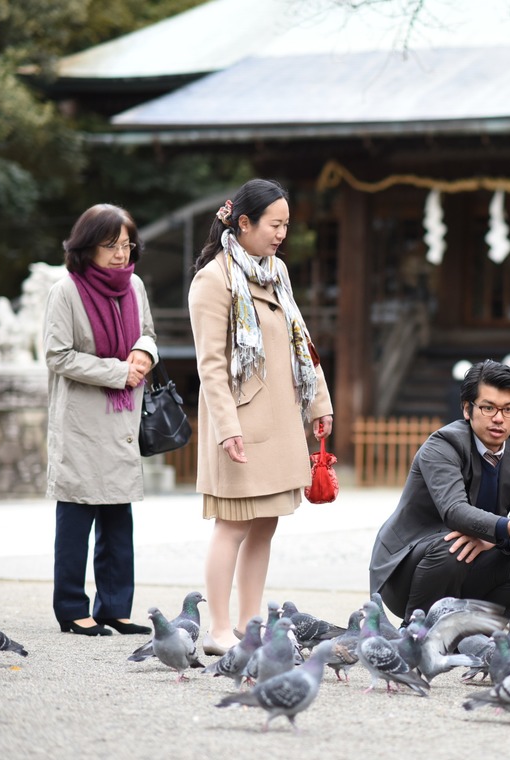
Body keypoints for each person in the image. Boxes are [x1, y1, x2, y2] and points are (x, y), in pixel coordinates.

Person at [188, 179, 334, 655]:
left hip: (279, 417)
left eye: (287, 226)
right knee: (232, 523)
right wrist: (227, 427)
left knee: (267, 521)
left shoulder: (277, 272)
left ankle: (251, 624)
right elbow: (210, 364)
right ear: (244, 223)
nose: (281, 235)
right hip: (241, 422)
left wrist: (319, 405)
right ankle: (217, 628)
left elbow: (301, 345)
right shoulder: (214, 278)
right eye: (275, 225)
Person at [370, 359, 510, 623]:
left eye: (508, 409)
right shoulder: (443, 444)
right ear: (467, 409)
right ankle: (417, 630)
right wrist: (505, 530)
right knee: (454, 545)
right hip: (408, 570)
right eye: (488, 408)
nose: (498, 418)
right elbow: (454, 511)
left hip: (471, 560)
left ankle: (477, 629)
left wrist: (496, 537)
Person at [44, 204, 157, 637]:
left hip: (123, 419)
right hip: (82, 422)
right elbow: (58, 355)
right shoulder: (65, 291)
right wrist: (117, 371)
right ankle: (72, 608)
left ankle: (115, 607)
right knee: (76, 518)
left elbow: (146, 332)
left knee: (117, 520)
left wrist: (144, 354)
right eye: (111, 246)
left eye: (126, 245)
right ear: (86, 246)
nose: (120, 255)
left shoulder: (135, 287)